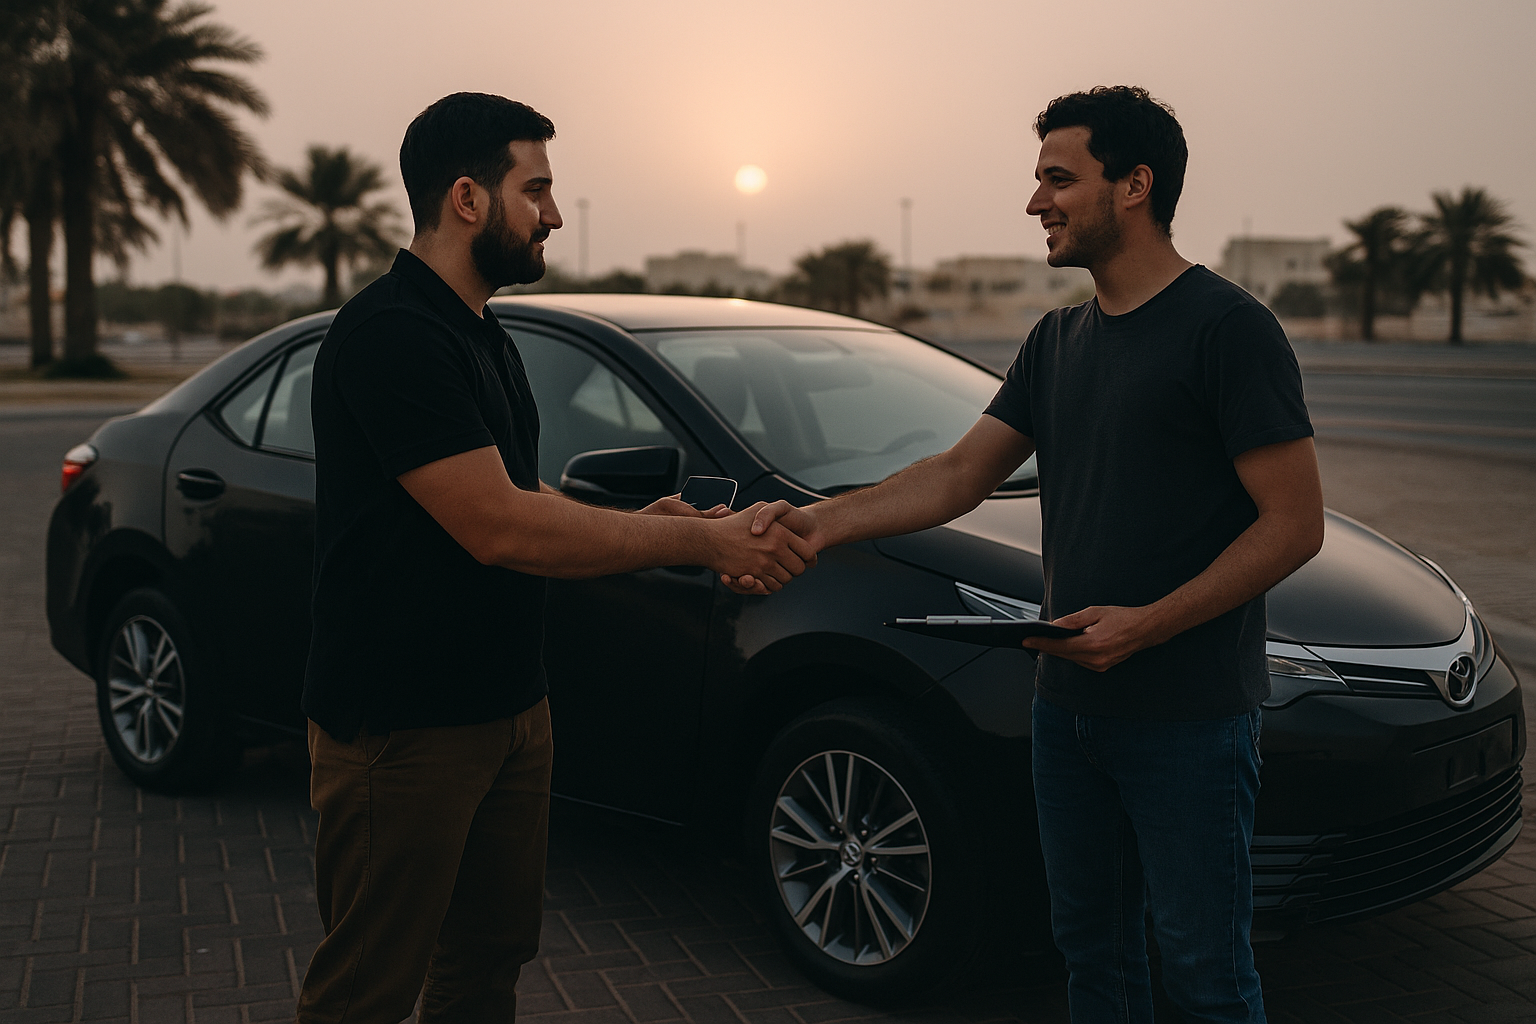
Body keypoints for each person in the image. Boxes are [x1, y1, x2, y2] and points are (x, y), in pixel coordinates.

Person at [739, 86, 1322, 1023]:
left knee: (1203, 968)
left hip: (1189, 721)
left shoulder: (1229, 329)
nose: (1036, 201)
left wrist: (1147, 627)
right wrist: (816, 524)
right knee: (1090, 953)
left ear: (1135, 186)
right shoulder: (1059, 338)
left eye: (1059, 178)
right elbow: (960, 473)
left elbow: (1295, 525)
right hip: (1069, 713)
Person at [297, 92, 813, 1023]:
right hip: (402, 730)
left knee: (488, 966)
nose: (555, 215)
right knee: (366, 988)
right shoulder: (391, 336)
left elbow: (519, 498)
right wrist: (695, 538)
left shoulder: (483, 334)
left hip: (509, 710)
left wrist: (642, 520)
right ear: (467, 198)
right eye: (536, 190)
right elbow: (496, 527)